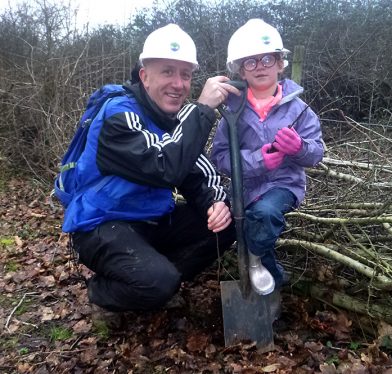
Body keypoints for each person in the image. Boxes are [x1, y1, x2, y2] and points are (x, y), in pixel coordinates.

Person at [64, 23, 241, 314]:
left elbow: (194, 171)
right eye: (167, 72)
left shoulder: (169, 120)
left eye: (185, 74)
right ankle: (103, 292)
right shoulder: (118, 115)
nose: (178, 83)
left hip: (152, 221)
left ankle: (154, 281)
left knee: (229, 222)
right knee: (157, 283)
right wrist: (203, 110)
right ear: (145, 77)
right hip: (101, 226)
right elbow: (165, 166)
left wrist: (215, 203)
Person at [211, 19, 324, 296]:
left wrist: (298, 147)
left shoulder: (299, 109)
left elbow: (316, 153)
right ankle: (272, 279)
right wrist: (258, 160)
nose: (259, 66)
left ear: (279, 63)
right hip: (245, 188)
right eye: (250, 62)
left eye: (266, 58)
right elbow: (220, 157)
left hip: (283, 185)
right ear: (240, 69)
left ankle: (254, 258)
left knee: (264, 214)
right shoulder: (231, 109)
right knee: (239, 223)